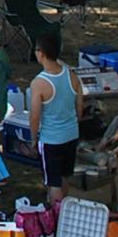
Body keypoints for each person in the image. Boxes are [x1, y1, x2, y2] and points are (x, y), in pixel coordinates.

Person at [26, 32, 84, 204]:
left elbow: (34, 116)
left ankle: (56, 215)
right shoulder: (72, 75)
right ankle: (65, 209)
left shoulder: (39, 83)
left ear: (41, 53)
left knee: (53, 181)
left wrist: (33, 138)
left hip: (52, 139)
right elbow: (79, 106)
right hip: (71, 134)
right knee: (65, 175)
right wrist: (74, 124)